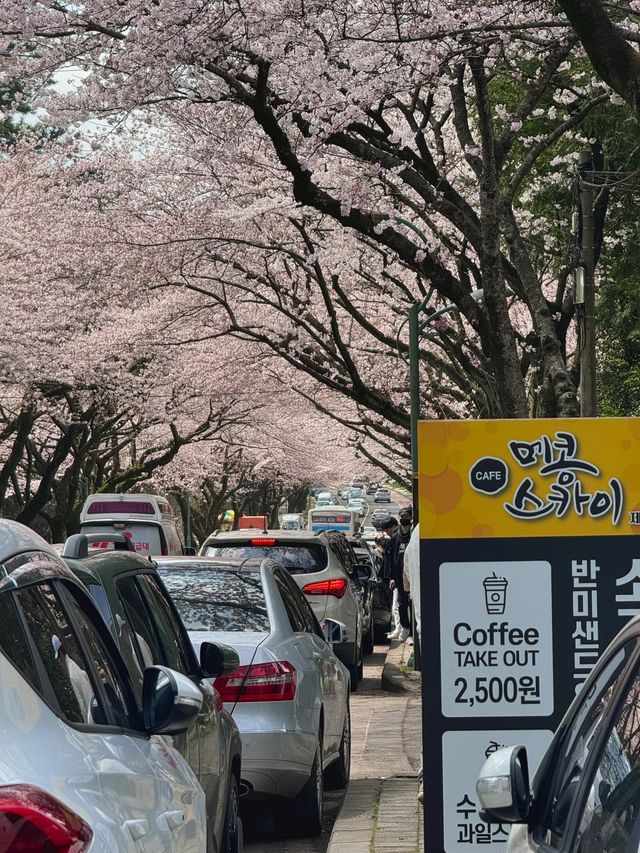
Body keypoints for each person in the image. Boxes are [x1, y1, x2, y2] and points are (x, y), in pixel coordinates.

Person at [389, 508, 413, 642]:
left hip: (412, 573)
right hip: (400, 575)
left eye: (407, 517)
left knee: (413, 603)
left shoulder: (414, 534)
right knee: (401, 604)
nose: (404, 519)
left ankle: (413, 633)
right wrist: (392, 577)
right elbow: (392, 558)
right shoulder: (395, 536)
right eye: (402, 517)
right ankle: (405, 628)